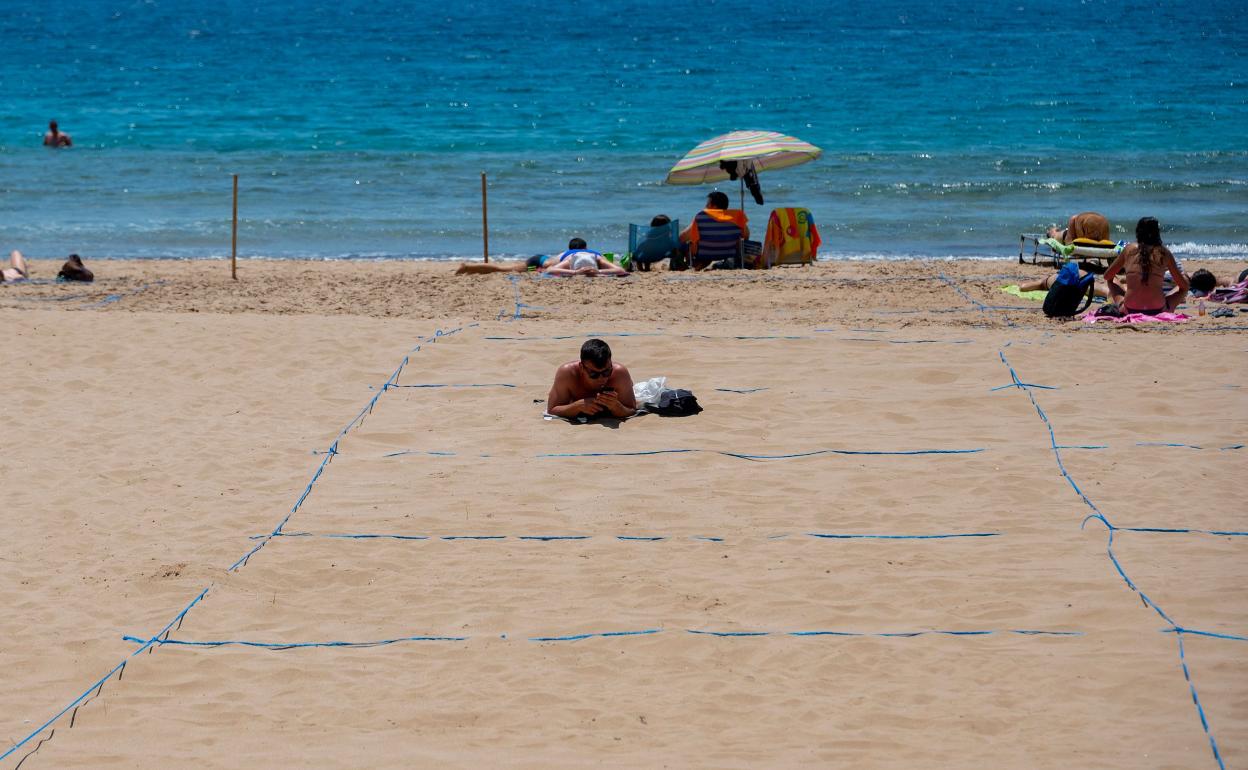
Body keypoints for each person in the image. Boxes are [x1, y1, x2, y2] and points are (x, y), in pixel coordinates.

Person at [1103, 217, 1189, 315]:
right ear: (1157, 233)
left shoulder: (1129, 249)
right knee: (1185, 281)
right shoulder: (1164, 253)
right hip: (1158, 310)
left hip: (1130, 309)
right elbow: (1183, 285)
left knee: (1112, 279)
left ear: (1138, 232)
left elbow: (1107, 276)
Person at [547, 338, 637, 419]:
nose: (601, 378)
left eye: (606, 372)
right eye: (594, 374)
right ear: (581, 368)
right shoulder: (567, 373)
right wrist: (576, 406)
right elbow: (551, 410)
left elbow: (632, 410)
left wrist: (617, 407)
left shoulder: (619, 374)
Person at [680, 191, 749, 270]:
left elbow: (682, 237)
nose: (705, 206)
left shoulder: (702, 217)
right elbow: (746, 236)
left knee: (684, 245)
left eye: (707, 204)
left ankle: (692, 265)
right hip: (729, 253)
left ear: (714, 207)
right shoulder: (736, 217)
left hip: (704, 253)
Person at [542, 238, 628, 277]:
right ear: (586, 248)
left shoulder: (567, 253)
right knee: (617, 267)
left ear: (570, 248)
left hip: (572, 260)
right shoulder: (594, 253)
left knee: (548, 266)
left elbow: (549, 269)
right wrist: (598, 271)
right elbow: (621, 271)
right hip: (593, 259)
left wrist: (576, 272)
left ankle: (575, 272)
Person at [455, 254, 554, 275]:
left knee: (501, 269)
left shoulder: (567, 254)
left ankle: (471, 270)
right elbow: (548, 264)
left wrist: (538, 270)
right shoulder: (568, 255)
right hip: (538, 262)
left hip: (536, 264)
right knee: (501, 269)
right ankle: (467, 267)